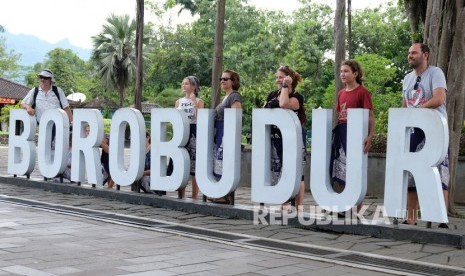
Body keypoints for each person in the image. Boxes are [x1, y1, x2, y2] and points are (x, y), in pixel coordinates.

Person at [402, 43, 449, 228]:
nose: (410, 55)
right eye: (409, 52)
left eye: (414, 52)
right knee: (411, 174)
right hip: (414, 130)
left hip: (434, 129)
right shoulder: (406, 78)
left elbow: (439, 99)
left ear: (425, 55)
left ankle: (441, 218)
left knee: (439, 172)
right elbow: (405, 105)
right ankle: (411, 218)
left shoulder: (435, 73)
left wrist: (418, 111)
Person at [330, 60, 375, 213]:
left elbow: (370, 116)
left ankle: (357, 209)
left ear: (355, 73)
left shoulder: (363, 92)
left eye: (346, 71)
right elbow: (339, 115)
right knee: (341, 169)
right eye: (341, 71)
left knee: (355, 171)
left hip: (356, 134)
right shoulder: (340, 93)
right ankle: (344, 205)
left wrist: (370, 135)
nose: (342, 74)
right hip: (342, 132)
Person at [264, 65, 307, 211]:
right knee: (278, 169)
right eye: (277, 77)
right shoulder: (272, 94)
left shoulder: (297, 96)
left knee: (297, 172)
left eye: (281, 77)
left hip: (293, 138)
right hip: (275, 138)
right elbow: (264, 110)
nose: (277, 80)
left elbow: (283, 104)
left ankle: (299, 207)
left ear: (289, 79)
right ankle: (284, 203)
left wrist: (285, 86)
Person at [209, 70, 242, 204]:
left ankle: (226, 195)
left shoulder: (234, 96)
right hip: (219, 133)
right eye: (221, 79)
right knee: (219, 163)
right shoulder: (225, 97)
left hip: (226, 133)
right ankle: (220, 192)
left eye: (225, 79)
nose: (222, 81)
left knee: (225, 163)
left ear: (233, 81)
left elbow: (235, 117)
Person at [175, 76, 204, 199]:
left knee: (194, 165)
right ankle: (181, 194)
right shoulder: (178, 101)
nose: (184, 86)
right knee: (181, 163)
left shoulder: (199, 101)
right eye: (183, 83)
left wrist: (194, 104)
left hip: (194, 131)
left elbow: (200, 118)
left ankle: (194, 196)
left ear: (194, 86)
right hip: (182, 132)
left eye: (187, 84)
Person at [21, 69, 73, 134]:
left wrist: (72, 122)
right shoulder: (34, 91)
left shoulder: (58, 91)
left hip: (58, 125)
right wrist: (28, 107)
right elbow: (23, 104)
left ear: (50, 80)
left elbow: (66, 108)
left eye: (46, 78)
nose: (42, 79)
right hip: (42, 125)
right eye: (41, 77)